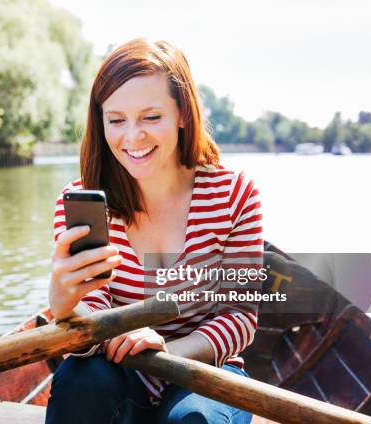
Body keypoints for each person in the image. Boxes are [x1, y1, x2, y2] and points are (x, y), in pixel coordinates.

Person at [46, 38, 262, 424]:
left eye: (151, 117)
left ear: (182, 113)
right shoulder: (80, 201)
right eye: (116, 120)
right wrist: (64, 305)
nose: (132, 137)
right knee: (78, 384)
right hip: (117, 367)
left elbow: (239, 316)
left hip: (204, 368)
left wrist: (168, 353)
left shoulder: (235, 194)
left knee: (193, 418)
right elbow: (90, 307)